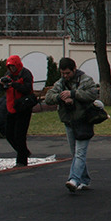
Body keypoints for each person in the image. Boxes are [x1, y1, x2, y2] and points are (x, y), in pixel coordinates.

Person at [44, 57, 100, 192]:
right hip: (69, 122)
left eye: (67, 73)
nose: (65, 76)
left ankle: (73, 179)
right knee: (75, 153)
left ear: (74, 70)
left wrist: (74, 94)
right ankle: (84, 180)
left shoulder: (86, 80)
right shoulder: (61, 83)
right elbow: (48, 97)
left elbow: (93, 94)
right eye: (62, 73)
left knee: (79, 153)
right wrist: (60, 98)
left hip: (84, 121)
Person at [2, 55, 34, 167]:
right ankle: (24, 152)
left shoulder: (25, 74)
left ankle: (21, 161)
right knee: (9, 133)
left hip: (23, 108)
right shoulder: (8, 75)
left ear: (17, 64)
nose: (12, 69)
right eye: (9, 67)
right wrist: (2, 84)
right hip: (11, 108)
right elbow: (3, 89)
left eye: (13, 66)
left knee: (20, 135)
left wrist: (14, 84)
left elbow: (27, 89)